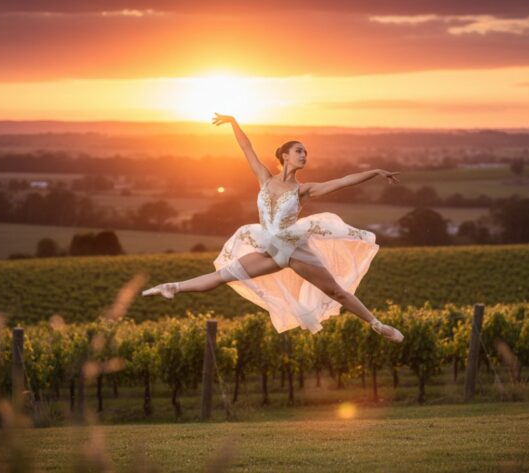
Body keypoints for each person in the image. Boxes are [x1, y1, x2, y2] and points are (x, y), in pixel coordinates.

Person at [141, 113, 404, 343]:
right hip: (268, 248)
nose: (304, 156)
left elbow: (343, 181)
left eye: (306, 152)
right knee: (222, 276)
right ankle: (173, 287)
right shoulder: (264, 178)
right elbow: (247, 148)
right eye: (299, 151)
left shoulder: (303, 190)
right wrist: (233, 122)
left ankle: (376, 324)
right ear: (285, 156)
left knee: (335, 292)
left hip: (293, 248)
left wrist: (376, 172)